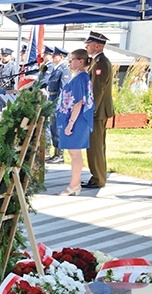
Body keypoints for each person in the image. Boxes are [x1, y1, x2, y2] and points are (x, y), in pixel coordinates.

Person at [55, 49, 95, 196]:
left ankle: (74, 185)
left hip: (77, 120)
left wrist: (71, 123)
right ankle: (75, 184)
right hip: (75, 119)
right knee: (73, 152)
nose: (69, 62)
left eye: (72, 60)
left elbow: (78, 102)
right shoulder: (79, 76)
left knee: (75, 152)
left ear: (80, 61)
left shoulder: (81, 78)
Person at [83, 31, 114, 189]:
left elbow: (97, 89)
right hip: (99, 110)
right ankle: (98, 176)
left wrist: (91, 110)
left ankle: (98, 178)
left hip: (98, 111)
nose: (86, 46)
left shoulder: (100, 63)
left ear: (98, 45)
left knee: (95, 145)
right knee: (96, 145)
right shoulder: (96, 61)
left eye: (89, 44)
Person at [46, 47, 72, 164]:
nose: (52, 57)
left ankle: (59, 155)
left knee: (58, 128)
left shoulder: (64, 70)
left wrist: (60, 106)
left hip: (57, 101)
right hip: (52, 98)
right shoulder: (56, 69)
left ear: (61, 57)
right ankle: (55, 153)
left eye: (54, 56)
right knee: (53, 128)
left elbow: (64, 90)